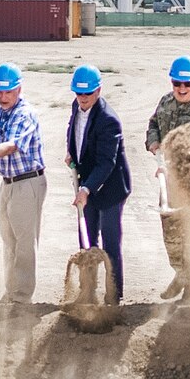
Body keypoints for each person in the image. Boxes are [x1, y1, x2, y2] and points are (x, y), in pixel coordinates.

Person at [145, 55, 190, 305]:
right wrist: (153, 142)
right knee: (171, 236)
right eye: (177, 83)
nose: (182, 89)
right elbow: (153, 123)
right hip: (170, 182)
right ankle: (180, 274)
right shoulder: (165, 101)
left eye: (187, 84)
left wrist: (167, 157)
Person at [0, 63, 47, 304]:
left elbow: (11, 145)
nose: (3, 97)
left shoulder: (25, 114)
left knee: (24, 242)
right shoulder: (0, 112)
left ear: (19, 89)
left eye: (8, 92)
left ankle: (22, 297)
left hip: (27, 183)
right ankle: (11, 291)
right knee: (9, 240)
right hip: (7, 183)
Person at [65, 65, 132, 303]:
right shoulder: (77, 106)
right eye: (78, 93)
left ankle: (114, 296)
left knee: (110, 243)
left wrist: (85, 189)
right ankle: (87, 292)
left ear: (99, 91)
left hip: (111, 188)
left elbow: (107, 163)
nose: (82, 98)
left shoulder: (108, 121)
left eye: (87, 94)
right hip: (89, 182)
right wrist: (72, 152)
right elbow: (72, 130)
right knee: (86, 240)